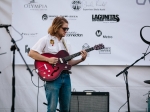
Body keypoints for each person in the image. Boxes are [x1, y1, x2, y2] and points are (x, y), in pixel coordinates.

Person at [28, 16, 87, 112]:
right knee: (51, 108)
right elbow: (31, 53)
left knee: (65, 108)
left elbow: (70, 62)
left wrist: (82, 59)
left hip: (66, 76)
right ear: (56, 27)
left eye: (67, 29)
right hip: (53, 78)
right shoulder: (46, 39)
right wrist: (48, 59)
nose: (66, 31)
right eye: (64, 28)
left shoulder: (66, 42)